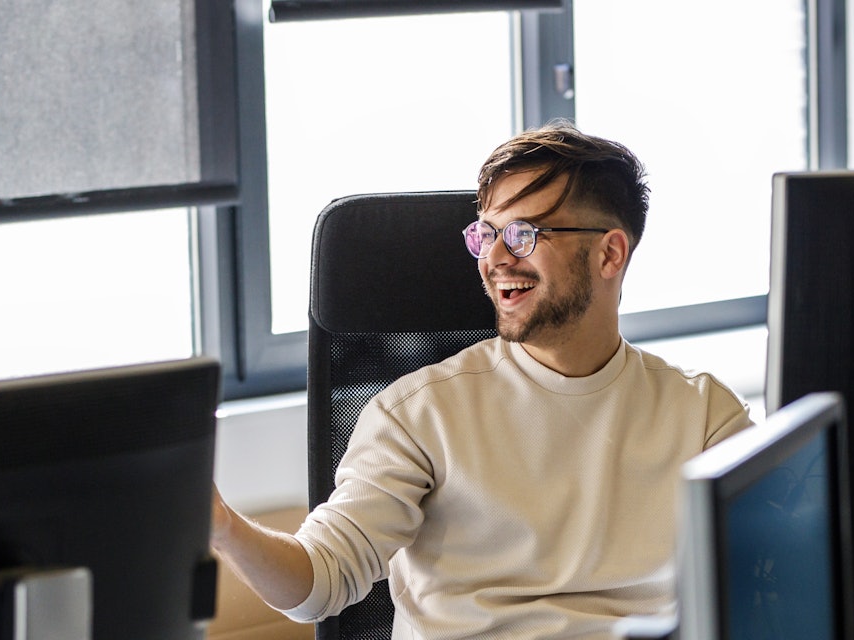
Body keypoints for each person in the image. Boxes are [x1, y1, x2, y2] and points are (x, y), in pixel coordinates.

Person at [210, 120, 756, 639]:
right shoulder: (418, 413)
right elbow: (320, 579)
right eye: (486, 234)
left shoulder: (705, 416)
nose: (494, 258)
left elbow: (768, 580)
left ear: (609, 252)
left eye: (522, 234)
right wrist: (226, 530)